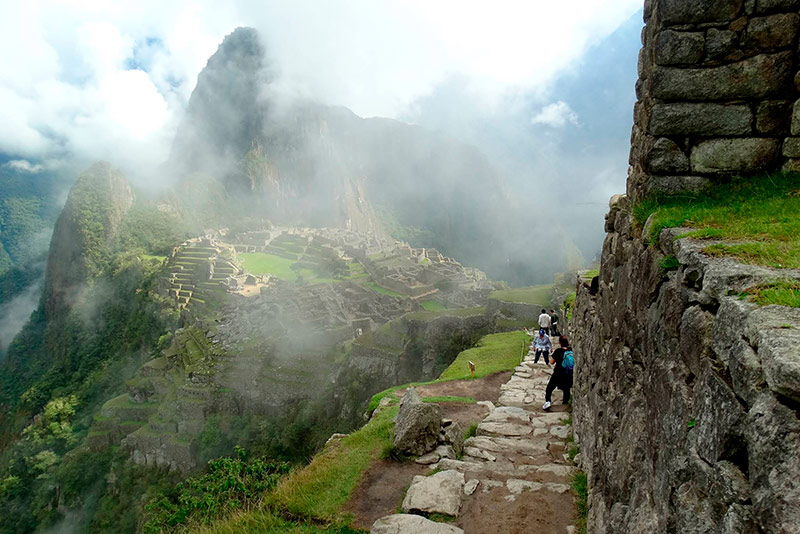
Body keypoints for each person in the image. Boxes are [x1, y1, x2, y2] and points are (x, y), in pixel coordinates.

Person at [542, 336, 574, 410]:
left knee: (550, 388)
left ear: (560, 343)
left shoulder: (558, 351)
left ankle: (548, 402)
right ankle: (565, 403)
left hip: (558, 373)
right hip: (568, 373)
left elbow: (551, 362)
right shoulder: (571, 350)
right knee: (566, 389)